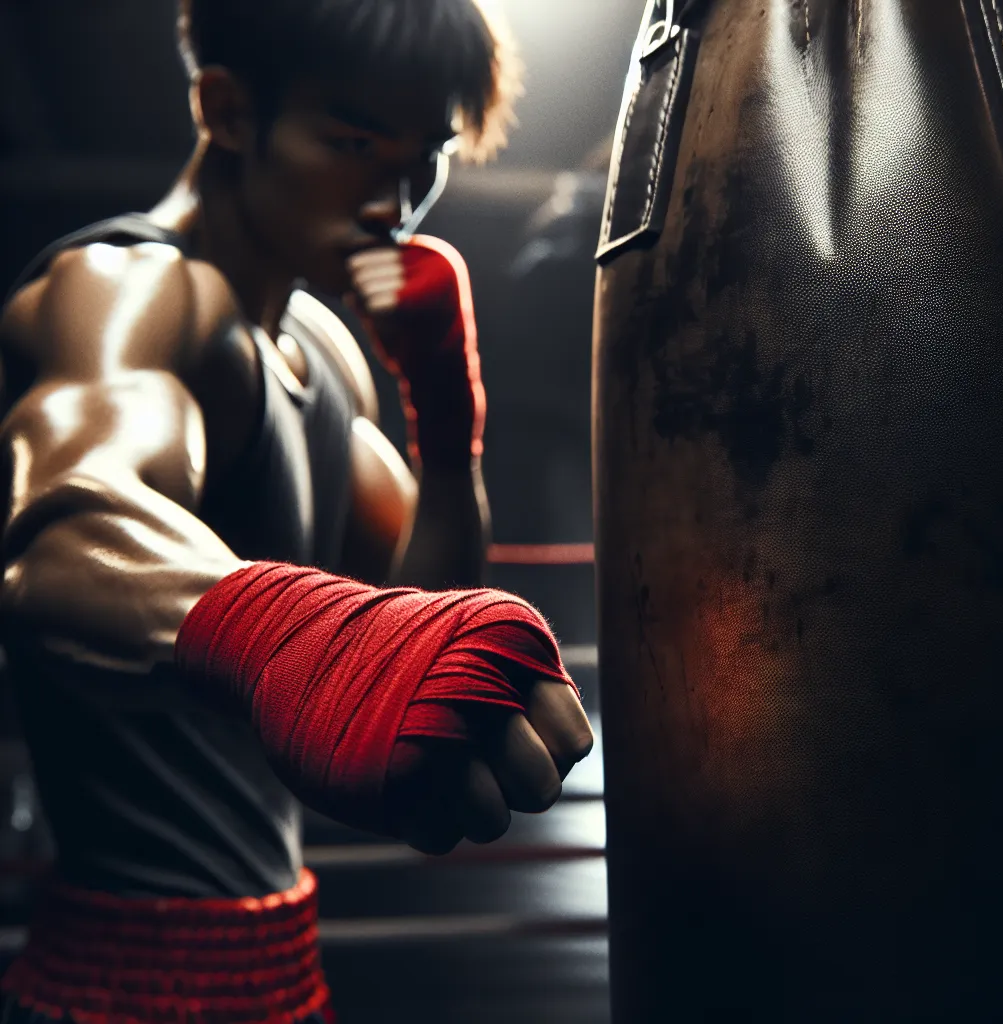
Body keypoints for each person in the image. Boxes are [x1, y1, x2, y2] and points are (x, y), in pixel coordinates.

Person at [0, 1, 594, 1020]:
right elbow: (65, 522)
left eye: (427, 158)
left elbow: (418, 632)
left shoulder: (322, 348)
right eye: (356, 142)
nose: (397, 200)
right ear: (227, 111)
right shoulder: (127, 291)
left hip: (279, 962)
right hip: (116, 973)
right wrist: (286, 630)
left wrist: (449, 437)